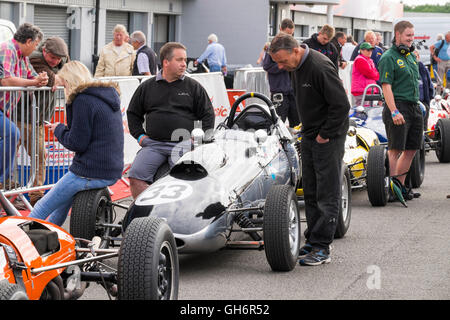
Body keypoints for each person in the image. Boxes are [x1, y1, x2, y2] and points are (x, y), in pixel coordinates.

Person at [269, 33, 350, 266]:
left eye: (283, 61)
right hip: (310, 132)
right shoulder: (295, 66)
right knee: (311, 187)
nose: (281, 66)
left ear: (295, 51)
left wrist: (325, 134)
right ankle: (313, 240)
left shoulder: (319, 66)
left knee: (327, 188)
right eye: (277, 62)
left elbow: (341, 105)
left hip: (328, 135)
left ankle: (323, 247)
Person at [29, 61, 124, 226]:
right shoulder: (105, 96)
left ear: (69, 81)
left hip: (89, 171)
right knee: (61, 208)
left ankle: (17, 243)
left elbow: (77, 143)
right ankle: (51, 239)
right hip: (111, 170)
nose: (64, 90)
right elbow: (90, 133)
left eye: (64, 85)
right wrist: (63, 129)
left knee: (42, 207)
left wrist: (59, 130)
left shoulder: (82, 100)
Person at [127, 42, 215, 199]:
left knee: (187, 182)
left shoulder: (193, 87)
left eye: (185, 60)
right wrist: (140, 136)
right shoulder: (147, 87)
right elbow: (133, 114)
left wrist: (200, 141)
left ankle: (182, 217)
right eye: (179, 60)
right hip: (154, 145)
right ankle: (146, 215)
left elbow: (208, 115)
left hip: (184, 144)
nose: (184, 64)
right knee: (135, 177)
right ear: (166, 62)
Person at [16, 36, 69, 205]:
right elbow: (53, 79)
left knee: (40, 156)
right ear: (44, 51)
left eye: (59, 59)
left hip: (37, 119)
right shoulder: (35, 58)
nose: (55, 62)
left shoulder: (60, 61)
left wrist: (60, 75)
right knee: (8, 157)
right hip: (20, 117)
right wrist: (58, 78)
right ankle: (7, 191)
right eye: (52, 58)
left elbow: (69, 72)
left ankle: (36, 195)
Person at [0, 23, 48, 191]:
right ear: (28, 41)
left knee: (11, 135)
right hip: (2, 109)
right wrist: (34, 82)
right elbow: (6, 80)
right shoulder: (8, 49)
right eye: (36, 45)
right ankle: (2, 180)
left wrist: (42, 79)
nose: (36, 49)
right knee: (12, 134)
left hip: (4, 110)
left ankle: (4, 180)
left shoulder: (23, 57)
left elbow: (32, 76)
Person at [378, 20, 422, 201]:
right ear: (398, 35)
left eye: (413, 35)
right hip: (398, 106)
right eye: (408, 35)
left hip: (414, 106)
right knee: (395, 149)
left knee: (412, 149)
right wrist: (394, 111)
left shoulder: (410, 55)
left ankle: (401, 187)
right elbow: (386, 86)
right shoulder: (388, 57)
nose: (412, 39)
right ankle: (391, 190)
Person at [262, 18, 300, 127]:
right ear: (280, 29)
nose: (288, 37)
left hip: (293, 90)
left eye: (291, 34)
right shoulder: (273, 46)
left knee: (297, 122)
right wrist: (284, 65)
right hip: (279, 90)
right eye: (287, 34)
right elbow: (267, 66)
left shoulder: (293, 46)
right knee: (278, 124)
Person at [351, 42, 380, 106]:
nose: (370, 52)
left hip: (368, 90)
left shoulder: (369, 60)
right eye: (368, 50)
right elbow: (370, 73)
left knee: (369, 112)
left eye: (371, 50)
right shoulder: (360, 60)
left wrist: (375, 74)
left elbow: (374, 73)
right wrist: (376, 74)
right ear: (361, 50)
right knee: (362, 112)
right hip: (362, 91)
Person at [414, 50, 434, 129]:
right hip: (410, 103)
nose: (414, 59)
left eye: (415, 57)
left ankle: (424, 136)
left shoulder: (423, 69)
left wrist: (430, 97)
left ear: (418, 57)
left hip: (423, 101)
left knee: (423, 124)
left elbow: (429, 85)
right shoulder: (405, 69)